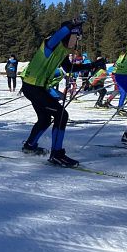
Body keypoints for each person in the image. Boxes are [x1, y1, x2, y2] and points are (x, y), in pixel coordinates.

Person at [20, 13, 96, 167]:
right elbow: (60, 33)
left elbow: (68, 68)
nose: (77, 42)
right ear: (70, 35)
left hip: (36, 87)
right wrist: (74, 23)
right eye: (77, 37)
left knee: (45, 119)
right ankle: (56, 154)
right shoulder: (51, 43)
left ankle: (29, 146)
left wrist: (92, 65)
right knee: (61, 114)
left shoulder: (62, 50)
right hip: (33, 87)